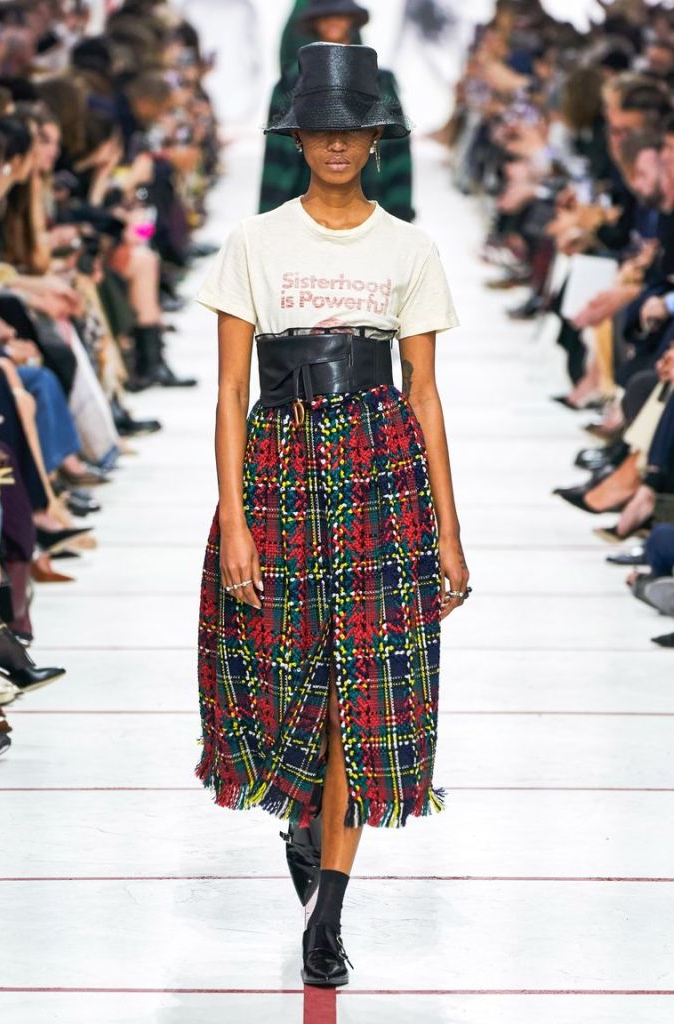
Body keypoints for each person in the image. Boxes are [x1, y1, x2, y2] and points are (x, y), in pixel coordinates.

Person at [195, 41, 469, 988]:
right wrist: (234, 520)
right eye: (320, 130)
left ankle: (329, 919)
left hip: (380, 472)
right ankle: (302, 820)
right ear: (299, 139)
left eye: (352, 130)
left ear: (375, 139)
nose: (336, 144)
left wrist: (448, 531)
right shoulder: (255, 242)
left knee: (365, 693)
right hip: (277, 469)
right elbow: (230, 392)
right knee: (284, 683)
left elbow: (423, 395)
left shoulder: (409, 248)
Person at [259, 0, 415, 222]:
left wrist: (399, 217)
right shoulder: (289, 84)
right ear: (314, 22)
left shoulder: (379, 82)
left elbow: (397, 155)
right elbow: (276, 160)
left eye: (340, 15)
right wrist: (269, 222)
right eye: (325, 16)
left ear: (352, 20)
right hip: (302, 202)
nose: (333, 22)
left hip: (371, 195)